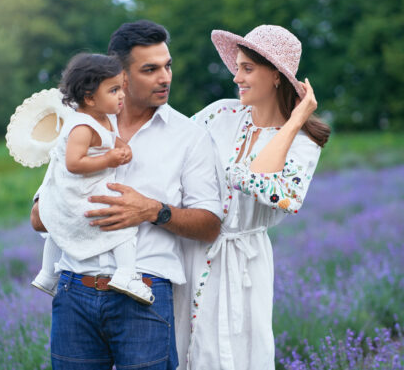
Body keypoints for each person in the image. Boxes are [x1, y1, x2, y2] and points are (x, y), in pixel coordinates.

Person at [30, 20, 223, 370]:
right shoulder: (78, 127)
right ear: (119, 74)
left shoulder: (189, 137)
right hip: (74, 292)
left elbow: (210, 225)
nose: (165, 77)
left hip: (144, 295)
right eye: (150, 69)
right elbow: (38, 216)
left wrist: (153, 210)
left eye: (167, 66)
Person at [174, 25, 330, 370]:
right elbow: (171, 149)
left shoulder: (304, 142)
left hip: (244, 263)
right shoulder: (220, 114)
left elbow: (271, 189)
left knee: (237, 353)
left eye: (247, 69)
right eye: (238, 67)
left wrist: (295, 121)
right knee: (183, 348)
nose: (236, 78)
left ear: (276, 76)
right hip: (193, 251)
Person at [32, 52, 155, 304]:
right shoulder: (81, 126)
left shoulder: (103, 119)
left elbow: (111, 139)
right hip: (78, 190)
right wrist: (108, 160)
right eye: (113, 91)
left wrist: (123, 147)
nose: (122, 95)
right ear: (89, 98)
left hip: (82, 190)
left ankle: (46, 276)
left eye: (121, 88)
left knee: (58, 229)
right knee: (123, 225)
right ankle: (125, 274)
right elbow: (74, 163)